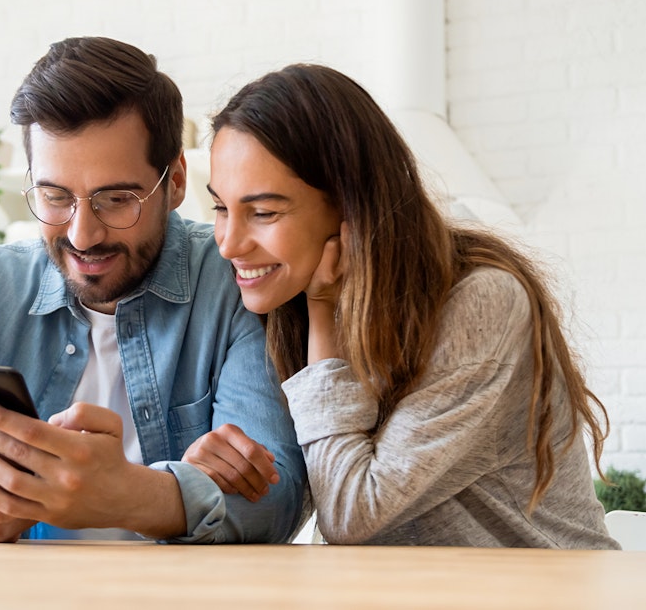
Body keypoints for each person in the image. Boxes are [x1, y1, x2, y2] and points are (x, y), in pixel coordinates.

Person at [0, 37, 306, 543]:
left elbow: (277, 498)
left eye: (116, 199)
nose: (82, 235)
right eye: (54, 196)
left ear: (175, 182)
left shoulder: (233, 280)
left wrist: (127, 494)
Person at [193, 62, 619, 548]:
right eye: (221, 209)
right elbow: (310, 494)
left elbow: (351, 514)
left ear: (351, 207)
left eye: (263, 212)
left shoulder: (481, 302)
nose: (227, 244)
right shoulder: (286, 308)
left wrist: (322, 314)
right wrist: (218, 474)